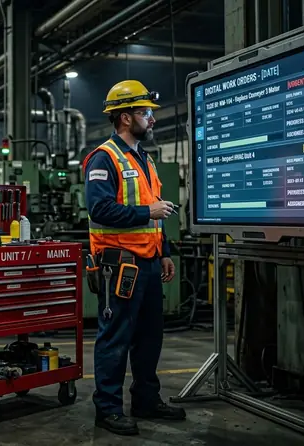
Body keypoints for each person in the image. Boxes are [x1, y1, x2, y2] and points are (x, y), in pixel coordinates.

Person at [84, 80, 186, 436]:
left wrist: (165, 253)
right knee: (115, 337)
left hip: (148, 261)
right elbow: (100, 208)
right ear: (125, 117)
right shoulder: (104, 158)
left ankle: (146, 399)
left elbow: (154, 214)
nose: (152, 119)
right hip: (119, 264)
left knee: (148, 336)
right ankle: (108, 409)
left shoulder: (145, 160)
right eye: (145, 113)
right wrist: (148, 211)